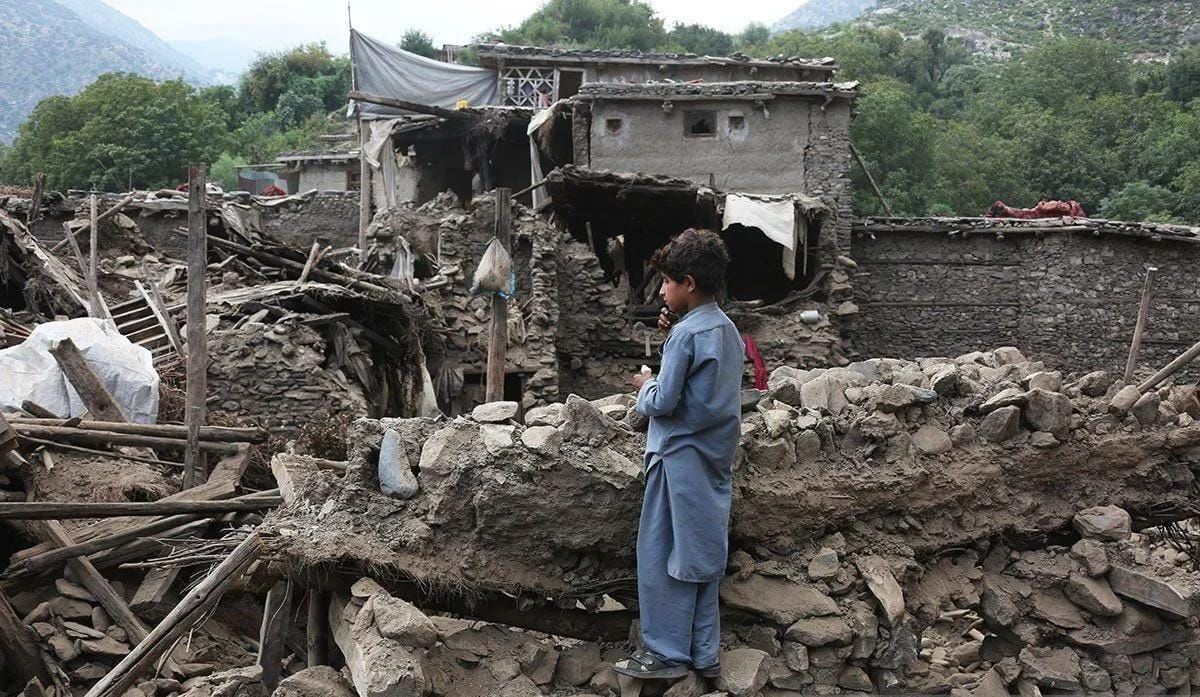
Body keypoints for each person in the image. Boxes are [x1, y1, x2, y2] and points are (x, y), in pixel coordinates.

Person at [614, 228, 744, 681]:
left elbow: (663, 401)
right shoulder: (726, 329)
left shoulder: (686, 336)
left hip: (675, 457)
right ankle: (704, 654)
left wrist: (643, 385)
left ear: (688, 282)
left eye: (667, 281)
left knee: (660, 555)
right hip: (713, 460)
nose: (663, 290)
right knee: (702, 558)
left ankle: (665, 654)